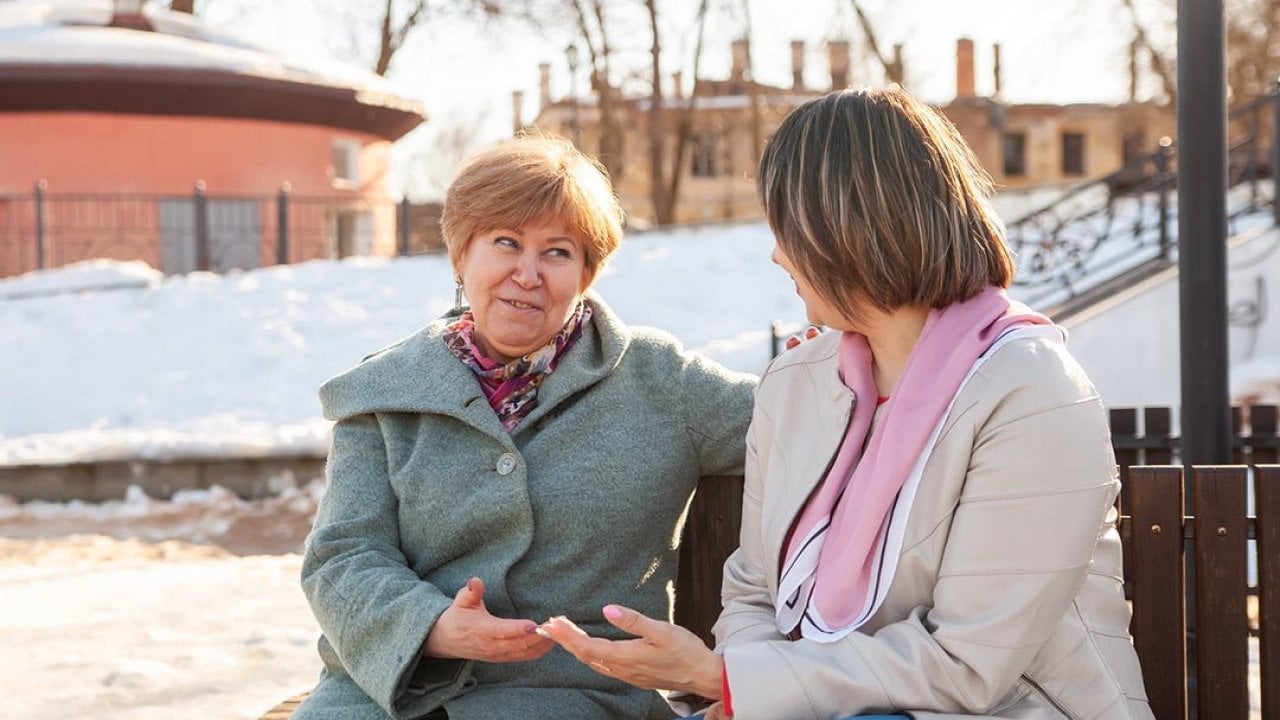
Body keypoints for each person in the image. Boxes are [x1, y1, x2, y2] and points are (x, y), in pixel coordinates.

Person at [540, 88, 1154, 719]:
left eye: (786, 226)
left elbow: (967, 665)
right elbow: (754, 593)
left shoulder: (1031, 390)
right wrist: (747, 690)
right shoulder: (797, 381)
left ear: (848, 228)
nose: (776, 254)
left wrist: (731, 679)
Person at [293, 135, 756, 720]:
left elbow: (804, 423)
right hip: (381, 698)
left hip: (576, 696)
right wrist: (433, 626)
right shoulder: (383, 393)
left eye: (557, 252)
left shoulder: (662, 381)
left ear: (588, 272)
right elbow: (344, 554)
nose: (527, 273)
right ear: (462, 257)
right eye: (505, 243)